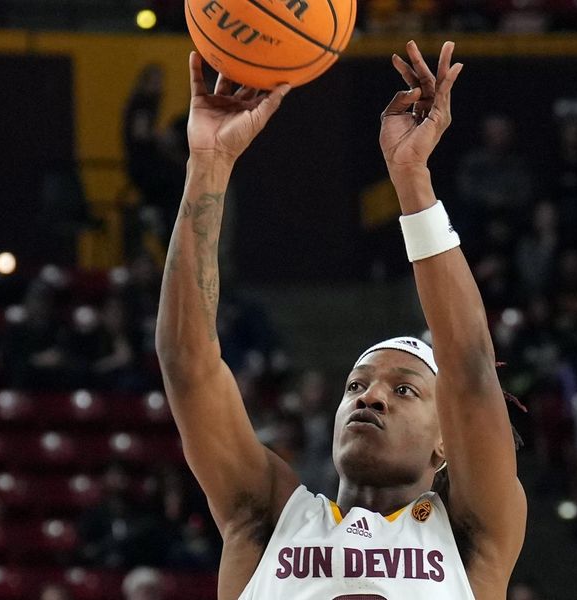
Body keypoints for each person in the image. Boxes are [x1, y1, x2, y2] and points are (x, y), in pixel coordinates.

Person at [155, 40, 526, 599]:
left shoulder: (471, 539)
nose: (370, 397)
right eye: (357, 385)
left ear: (444, 443)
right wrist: (208, 165)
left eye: (405, 390)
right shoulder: (266, 518)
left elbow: (470, 367)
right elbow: (187, 364)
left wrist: (411, 178)